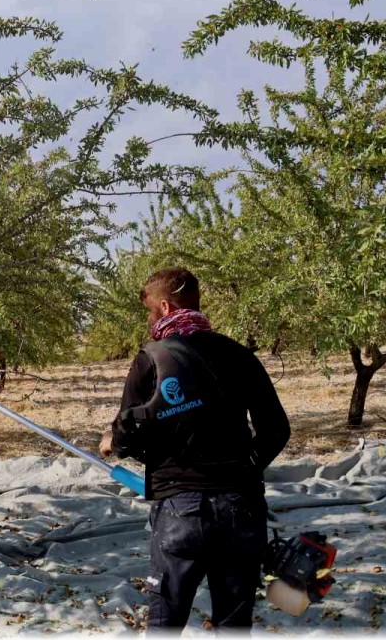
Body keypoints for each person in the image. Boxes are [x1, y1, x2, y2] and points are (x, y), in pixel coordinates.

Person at [99, 267, 290, 633]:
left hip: (179, 510)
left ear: (166, 307)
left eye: (150, 311)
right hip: (241, 508)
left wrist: (113, 442)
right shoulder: (238, 355)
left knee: (165, 625)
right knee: (234, 626)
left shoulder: (151, 359)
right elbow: (277, 429)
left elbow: (128, 431)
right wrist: (247, 467)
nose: (149, 320)